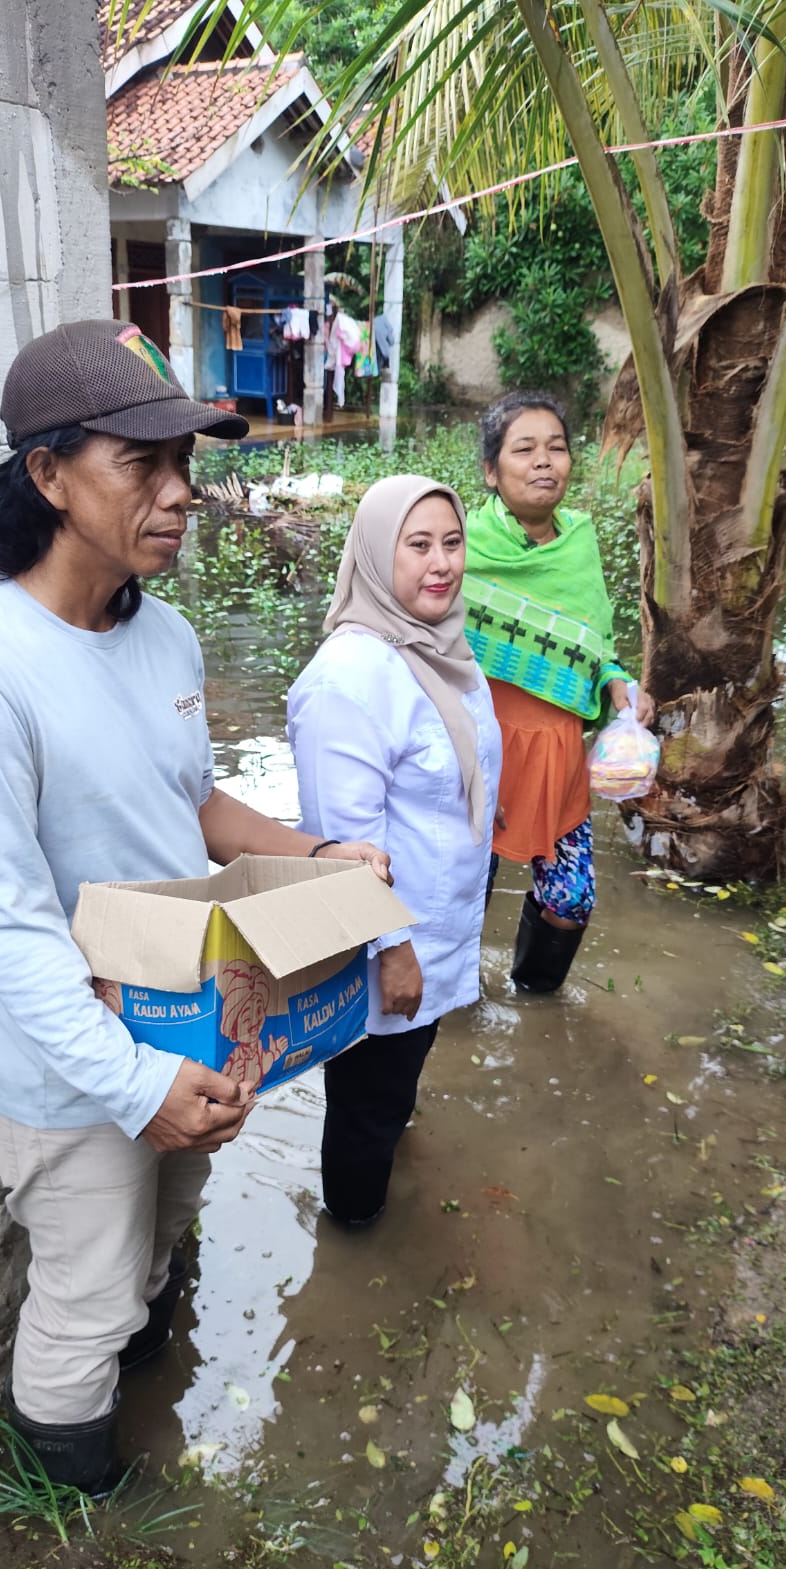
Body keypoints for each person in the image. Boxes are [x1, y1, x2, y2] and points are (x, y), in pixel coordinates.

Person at [0, 320, 391, 1496]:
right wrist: (132, 1084)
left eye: (185, 464)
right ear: (49, 474)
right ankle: (75, 1507)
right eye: (143, 465)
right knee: (86, 1297)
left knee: (164, 1241)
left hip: (190, 1029)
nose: (181, 495)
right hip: (73, 1072)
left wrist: (320, 855)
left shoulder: (161, 633)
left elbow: (193, 801)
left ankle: (150, 1376)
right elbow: (4, 929)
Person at [287, 476, 502, 1226]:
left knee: (393, 1085)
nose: (440, 563)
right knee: (365, 1105)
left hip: (438, 923)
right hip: (386, 943)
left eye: (452, 543)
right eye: (418, 546)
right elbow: (345, 842)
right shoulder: (348, 679)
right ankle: (353, 1233)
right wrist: (394, 951)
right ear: (378, 556)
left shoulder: (441, 648)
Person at [464, 392, 655, 994]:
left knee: (570, 901)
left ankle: (535, 997)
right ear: (492, 471)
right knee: (462, 893)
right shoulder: (460, 546)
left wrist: (620, 685)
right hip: (477, 755)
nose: (544, 461)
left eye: (557, 448)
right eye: (524, 449)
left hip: (558, 754)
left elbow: (595, 649)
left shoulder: (580, 546)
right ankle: (451, 1000)